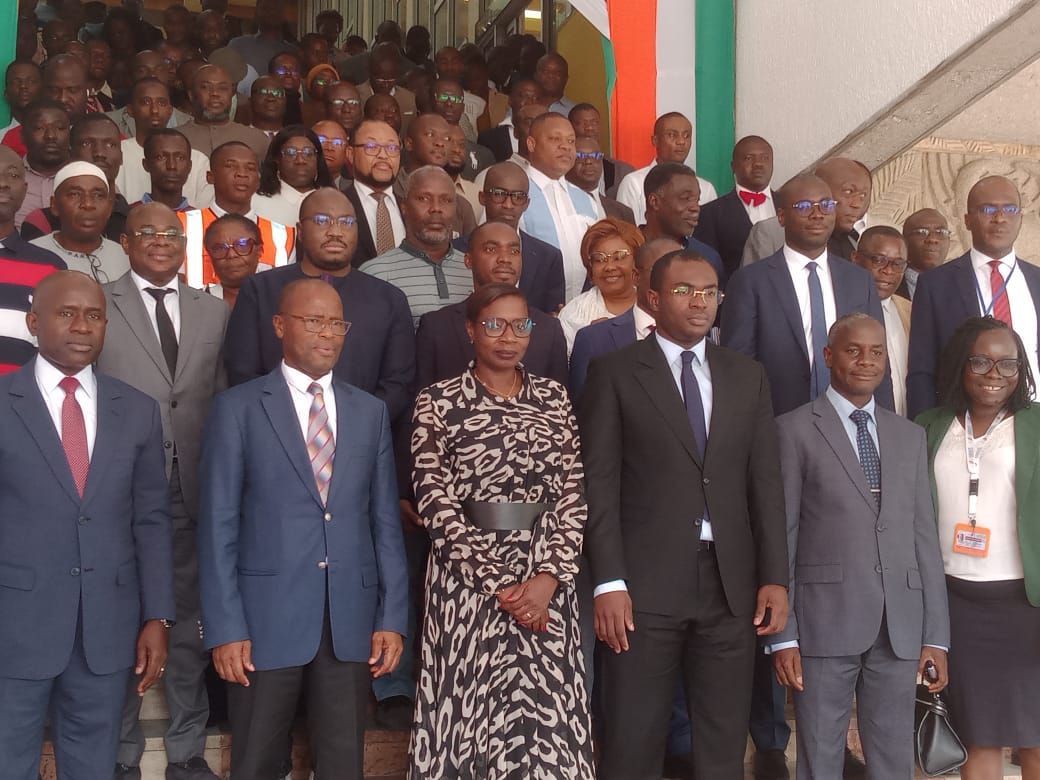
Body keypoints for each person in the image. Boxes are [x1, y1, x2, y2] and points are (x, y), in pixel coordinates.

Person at [579, 248, 789, 778]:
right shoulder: (615, 372)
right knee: (632, 739)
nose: (699, 302)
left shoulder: (747, 375)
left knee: (721, 743)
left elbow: (765, 484)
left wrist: (774, 577)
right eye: (683, 291)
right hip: (642, 587)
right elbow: (599, 484)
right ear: (652, 298)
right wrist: (608, 582)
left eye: (709, 292)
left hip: (730, 585)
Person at [198, 277, 409, 779]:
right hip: (262, 622)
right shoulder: (238, 408)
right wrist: (225, 627)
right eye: (313, 320)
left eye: (337, 323)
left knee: (342, 764)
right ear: (279, 325)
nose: (327, 333)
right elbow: (218, 526)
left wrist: (392, 617)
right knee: (256, 762)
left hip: (349, 620)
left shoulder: (370, 411)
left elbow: (384, 522)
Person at [409, 281, 594, 777]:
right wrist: (502, 585)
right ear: (471, 330)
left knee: (545, 720)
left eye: (520, 325)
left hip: (546, 582)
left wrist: (547, 579)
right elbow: (435, 503)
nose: (508, 337)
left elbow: (573, 493)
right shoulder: (437, 401)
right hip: (467, 585)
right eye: (494, 324)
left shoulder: (554, 398)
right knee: (467, 714)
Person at [0, 270, 174, 780]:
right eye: (67, 313)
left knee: (95, 765)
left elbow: (152, 520)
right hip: (15, 625)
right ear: (34, 322)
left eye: (94, 315)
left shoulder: (137, 410)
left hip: (106, 628)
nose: (82, 326)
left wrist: (158, 617)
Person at [772, 312, 950, 780]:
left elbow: (923, 537)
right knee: (820, 757)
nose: (866, 361)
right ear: (828, 356)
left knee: (893, 760)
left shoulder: (909, 435)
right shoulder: (793, 429)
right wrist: (784, 634)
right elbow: (782, 534)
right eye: (853, 351)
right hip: (823, 622)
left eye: (876, 353)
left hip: (899, 624)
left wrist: (935, 635)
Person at [98, 202, 228, 780]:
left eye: (171, 233)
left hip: (195, 487)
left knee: (188, 623)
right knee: (123, 621)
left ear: (185, 243)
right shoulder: (100, 303)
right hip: (118, 490)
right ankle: (122, 751)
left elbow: (220, 395)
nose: (159, 241)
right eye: (146, 232)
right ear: (125, 243)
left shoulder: (213, 310)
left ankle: (187, 751)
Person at [916, 317, 1040, 780]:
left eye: (1008, 364)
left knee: (1036, 737)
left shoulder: (1036, 423)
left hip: (1027, 606)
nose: (995, 374)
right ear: (960, 364)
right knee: (978, 735)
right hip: (958, 606)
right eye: (982, 361)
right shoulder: (929, 426)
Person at [224, 187, 415, 424]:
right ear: (300, 231)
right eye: (322, 221)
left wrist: (356, 426)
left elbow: (398, 383)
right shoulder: (260, 290)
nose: (335, 232)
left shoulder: (388, 299)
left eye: (346, 222)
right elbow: (242, 373)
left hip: (361, 434)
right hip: (273, 430)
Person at [722, 173, 893, 417]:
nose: (817, 214)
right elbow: (738, 367)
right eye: (804, 206)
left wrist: (885, 425)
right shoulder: (750, 281)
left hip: (850, 421)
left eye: (826, 205)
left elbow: (878, 359)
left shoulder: (859, 280)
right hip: (777, 421)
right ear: (781, 217)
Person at [908, 175, 1040, 418]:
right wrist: (925, 430)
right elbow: (921, 371)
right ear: (967, 220)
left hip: (1033, 420)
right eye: (988, 209)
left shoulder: (1037, 280)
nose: (999, 218)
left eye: (1010, 209)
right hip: (963, 422)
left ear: (1020, 218)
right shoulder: (935, 284)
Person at [416, 220, 568, 390]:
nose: (505, 259)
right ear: (468, 260)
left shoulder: (549, 329)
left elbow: (560, 397)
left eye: (514, 251)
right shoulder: (436, 326)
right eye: (491, 249)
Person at [360, 166, 471, 328]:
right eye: (424, 199)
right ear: (404, 207)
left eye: (446, 200)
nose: (436, 208)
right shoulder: (375, 273)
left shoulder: (474, 270)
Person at [569, 237, 680, 398]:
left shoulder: (700, 340)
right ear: (636, 276)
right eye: (662, 270)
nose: (675, 281)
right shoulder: (595, 340)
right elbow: (584, 407)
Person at [178, 141, 296, 290]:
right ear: (210, 177)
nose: (242, 174)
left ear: (258, 180)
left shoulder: (283, 236)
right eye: (230, 166)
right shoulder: (181, 225)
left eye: (250, 168)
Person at [455, 160, 565, 315]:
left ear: (526, 203)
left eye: (518, 197)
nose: (508, 204)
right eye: (499, 194)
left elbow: (551, 318)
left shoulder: (549, 257)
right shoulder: (455, 249)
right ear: (482, 197)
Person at [0, 145, 66, 375]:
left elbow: (57, 349)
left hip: (21, 396)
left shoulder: (51, 267)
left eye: (13, 175)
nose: (3, 183)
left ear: (25, 189)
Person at [518, 112, 598, 302]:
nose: (565, 146)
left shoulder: (586, 199)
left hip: (581, 308)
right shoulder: (514, 193)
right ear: (531, 144)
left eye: (571, 141)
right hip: (531, 307)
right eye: (555, 139)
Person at [115, 79, 213, 208]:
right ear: (130, 110)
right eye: (146, 102)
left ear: (170, 110)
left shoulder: (198, 160)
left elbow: (204, 213)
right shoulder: (117, 153)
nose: (154, 110)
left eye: (161, 103)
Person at [30, 161, 130, 284]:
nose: (88, 204)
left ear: (109, 208)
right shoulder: (31, 255)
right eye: (75, 194)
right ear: (54, 205)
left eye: (98, 195)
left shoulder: (127, 257)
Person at [694, 135, 776, 282]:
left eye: (765, 158)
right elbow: (705, 266)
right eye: (749, 158)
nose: (758, 163)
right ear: (733, 166)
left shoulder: (790, 205)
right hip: (735, 293)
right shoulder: (710, 213)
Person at [558, 217, 643, 352]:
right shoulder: (574, 314)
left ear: (637, 260)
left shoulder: (655, 304)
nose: (609, 267)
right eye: (599, 259)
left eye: (619, 257)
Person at [615, 113, 718, 224]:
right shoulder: (633, 183)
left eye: (687, 136)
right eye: (672, 135)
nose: (681, 141)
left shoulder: (706, 189)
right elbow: (626, 232)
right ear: (655, 140)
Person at [852, 226, 912, 416]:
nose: (888, 271)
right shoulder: (841, 309)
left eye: (898, 264)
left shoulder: (911, 310)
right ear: (855, 258)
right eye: (879, 260)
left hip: (907, 423)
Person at [641, 162, 725, 283]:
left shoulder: (708, 257)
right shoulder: (625, 251)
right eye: (686, 198)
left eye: (697, 200)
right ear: (654, 201)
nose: (696, 208)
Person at [339, 118, 405, 267]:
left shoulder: (411, 208)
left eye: (392, 148)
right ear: (350, 154)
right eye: (371, 146)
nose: (383, 155)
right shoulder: (336, 206)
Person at [176, 64, 271, 160]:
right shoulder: (174, 138)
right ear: (191, 95)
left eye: (223, 88)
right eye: (205, 87)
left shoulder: (258, 140)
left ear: (232, 94)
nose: (215, 93)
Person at [253, 126, 334, 227]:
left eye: (308, 153)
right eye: (291, 153)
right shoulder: (256, 202)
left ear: (317, 158)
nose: (300, 160)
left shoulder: (333, 201)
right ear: (277, 159)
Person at [14, 99, 70, 229]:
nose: (50, 135)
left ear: (70, 133)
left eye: (59, 128)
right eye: (39, 128)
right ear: (22, 136)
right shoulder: (8, 180)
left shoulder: (89, 178)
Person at [566, 137, 635, 222]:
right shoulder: (559, 205)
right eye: (580, 156)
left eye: (595, 156)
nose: (588, 161)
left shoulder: (623, 213)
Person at [357, 42, 418, 135]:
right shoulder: (356, 96)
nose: (385, 85)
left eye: (391, 79)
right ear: (369, 71)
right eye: (380, 80)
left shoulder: (408, 99)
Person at [203, 213, 262, 308]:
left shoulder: (280, 297)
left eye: (241, 245)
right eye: (220, 248)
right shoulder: (197, 303)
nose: (231, 255)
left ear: (260, 250)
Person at [227, 0, 297, 78]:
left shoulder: (293, 51)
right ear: (256, 14)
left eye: (276, 8)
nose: (271, 12)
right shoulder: (238, 45)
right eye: (266, 8)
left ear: (283, 15)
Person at [478, 77, 539, 163]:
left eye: (536, 98)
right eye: (523, 96)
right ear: (510, 100)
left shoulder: (551, 136)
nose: (530, 102)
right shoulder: (489, 138)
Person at [898, 207, 951, 301]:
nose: (932, 239)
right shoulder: (887, 285)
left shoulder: (963, 285)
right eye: (921, 232)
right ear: (904, 241)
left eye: (940, 232)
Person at [138, 129, 196, 212]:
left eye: (180, 158)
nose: (172, 166)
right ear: (146, 164)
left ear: (189, 166)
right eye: (160, 157)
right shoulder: (128, 215)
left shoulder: (199, 218)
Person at [313, 119, 350, 188]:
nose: (329, 148)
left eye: (337, 143)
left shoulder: (356, 190)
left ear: (348, 152)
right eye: (321, 140)